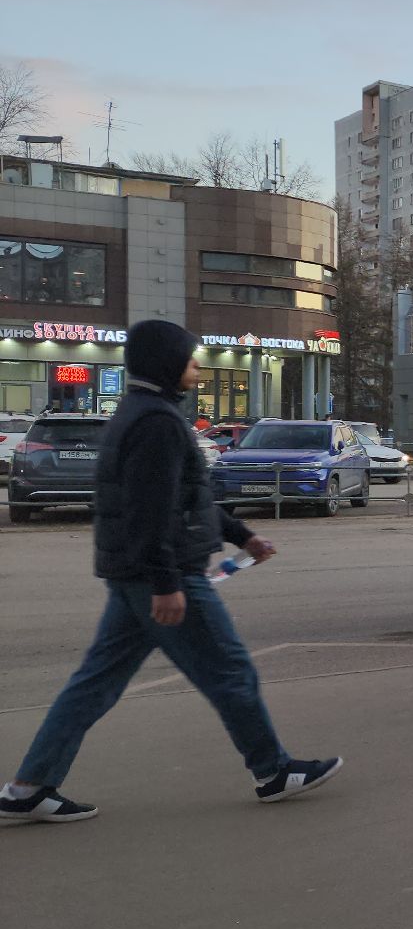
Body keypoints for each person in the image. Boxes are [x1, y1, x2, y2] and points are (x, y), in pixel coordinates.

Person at [1, 320, 339, 824]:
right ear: (167, 362)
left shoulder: (140, 412)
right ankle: (273, 771)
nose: (196, 367)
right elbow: (149, 509)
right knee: (230, 670)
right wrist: (165, 582)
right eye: (189, 357)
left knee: (94, 684)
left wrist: (241, 536)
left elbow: (185, 498)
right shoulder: (157, 422)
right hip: (166, 574)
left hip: (134, 573)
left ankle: (26, 789)